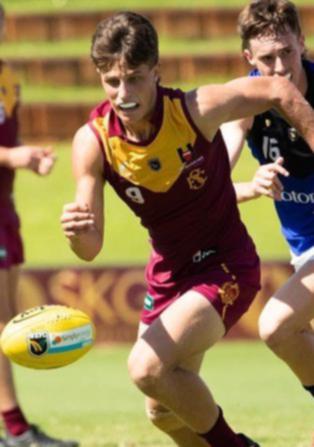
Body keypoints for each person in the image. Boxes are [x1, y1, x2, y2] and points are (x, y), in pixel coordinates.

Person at [60, 11, 314, 447]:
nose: (124, 94)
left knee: (145, 366)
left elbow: (277, 88)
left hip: (224, 266)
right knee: (163, 410)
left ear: (156, 72)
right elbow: (90, 248)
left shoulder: (195, 110)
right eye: (112, 81)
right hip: (168, 276)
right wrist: (77, 232)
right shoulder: (93, 141)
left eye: (136, 78)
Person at [221, 0, 314, 402]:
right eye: (266, 59)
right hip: (305, 251)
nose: (279, 69)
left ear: (303, 43)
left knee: (276, 323)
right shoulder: (242, 102)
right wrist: (250, 186)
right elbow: (210, 185)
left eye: (287, 53)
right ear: (248, 58)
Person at [0, 4, 78, 447]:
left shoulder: (8, 77)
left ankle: (11, 426)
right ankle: (15, 428)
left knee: (8, 323)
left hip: (4, 210)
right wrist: (13, 157)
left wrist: (28, 157)